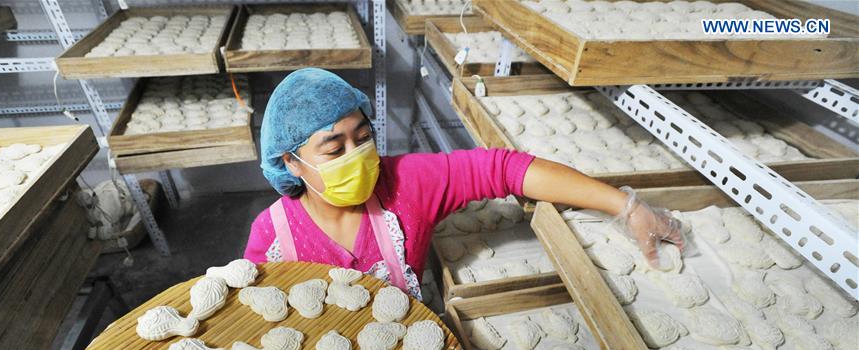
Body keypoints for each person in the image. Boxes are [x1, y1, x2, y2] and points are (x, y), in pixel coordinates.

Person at [244, 68, 685, 299]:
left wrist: (626, 207)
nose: (357, 157)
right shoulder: (275, 236)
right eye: (334, 149)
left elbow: (505, 168)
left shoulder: (406, 185)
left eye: (363, 139)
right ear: (292, 162)